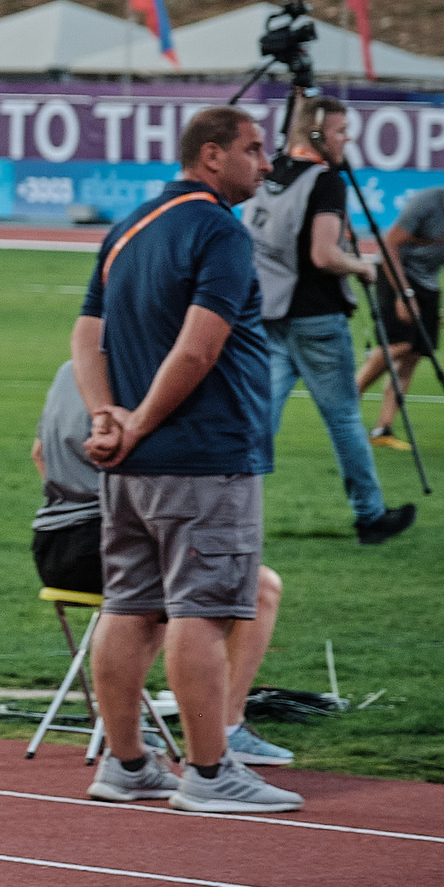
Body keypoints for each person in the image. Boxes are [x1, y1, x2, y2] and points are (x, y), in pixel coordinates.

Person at [72, 106, 305, 815]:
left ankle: (127, 761)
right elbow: (200, 348)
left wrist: (105, 416)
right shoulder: (220, 230)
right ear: (211, 155)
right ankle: (208, 771)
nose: (267, 163)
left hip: (131, 467)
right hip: (204, 456)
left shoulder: (128, 226)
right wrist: (135, 421)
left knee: (129, 606)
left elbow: (86, 336)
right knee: (202, 610)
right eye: (255, 149)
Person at [31, 360, 292, 772]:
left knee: (147, 600)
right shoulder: (135, 373)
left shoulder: (73, 369)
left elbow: (39, 453)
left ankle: (127, 739)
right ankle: (225, 728)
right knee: (257, 587)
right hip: (103, 537)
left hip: (52, 541)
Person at [244, 95, 412, 543]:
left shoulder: (273, 168)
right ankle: (371, 515)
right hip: (316, 318)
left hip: (270, 311)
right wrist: (363, 267)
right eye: (340, 131)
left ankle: (232, 512)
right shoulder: (326, 182)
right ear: (317, 133)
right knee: (343, 419)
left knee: (259, 420)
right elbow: (324, 255)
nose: (347, 139)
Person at [358, 165, 444, 448]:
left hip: (429, 283)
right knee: (398, 345)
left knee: (415, 354)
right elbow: (390, 244)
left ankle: (383, 429)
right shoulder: (427, 201)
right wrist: (403, 293)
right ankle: (350, 394)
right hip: (396, 274)